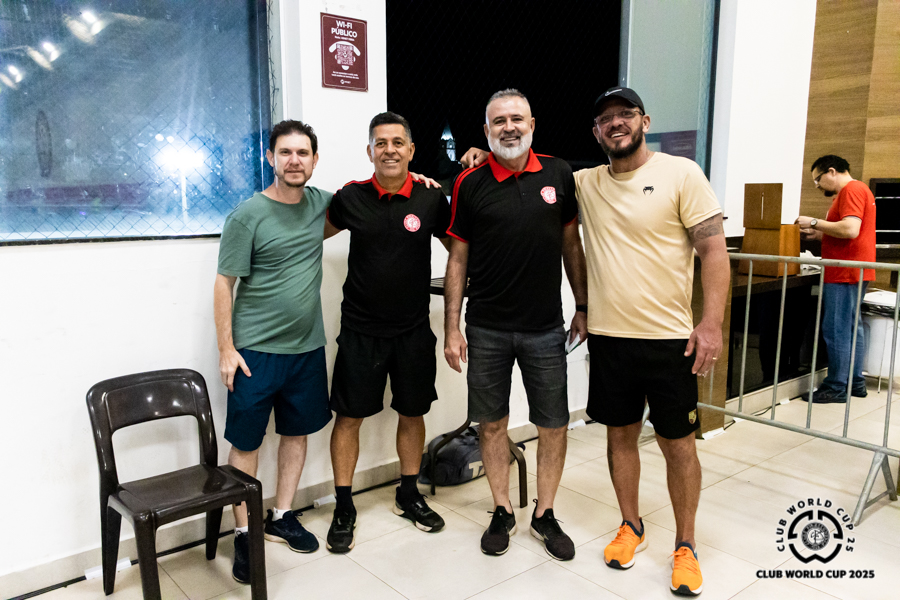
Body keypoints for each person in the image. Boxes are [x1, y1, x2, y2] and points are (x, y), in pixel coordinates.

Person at [461, 85, 729, 596]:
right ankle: (632, 525)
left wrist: (710, 323)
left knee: (678, 444)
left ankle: (686, 544)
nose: (616, 123)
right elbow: (527, 176)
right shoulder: (581, 181)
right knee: (619, 439)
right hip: (609, 338)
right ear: (596, 132)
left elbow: (714, 252)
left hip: (670, 339)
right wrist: (481, 155)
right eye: (606, 119)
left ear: (644, 121)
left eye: (625, 114)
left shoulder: (682, 174)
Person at [444, 89, 588, 561]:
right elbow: (457, 258)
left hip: (545, 328)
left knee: (554, 424)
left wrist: (583, 306)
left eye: (517, 119)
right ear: (486, 131)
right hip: (486, 327)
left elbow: (571, 246)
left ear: (532, 125)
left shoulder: (558, 173)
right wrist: (452, 327)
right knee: (491, 424)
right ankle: (502, 509)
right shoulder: (469, 182)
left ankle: (544, 514)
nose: (509, 127)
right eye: (499, 121)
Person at [323, 112, 450, 553]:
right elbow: (306, 236)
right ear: (370, 151)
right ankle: (343, 505)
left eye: (398, 142)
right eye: (381, 143)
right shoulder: (350, 197)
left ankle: (408, 494)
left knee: (412, 413)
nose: (390, 150)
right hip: (360, 331)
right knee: (349, 417)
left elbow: (459, 251)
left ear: (411, 150)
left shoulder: (431, 198)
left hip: (413, 330)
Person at [214, 120, 333, 583]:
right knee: (246, 443)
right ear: (271, 158)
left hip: (307, 349)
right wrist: (227, 348)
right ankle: (245, 533)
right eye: (285, 152)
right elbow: (224, 284)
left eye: (303, 153)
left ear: (315, 160)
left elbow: (372, 196)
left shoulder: (321, 204)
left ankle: (282, 515)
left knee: (296, 433)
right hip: (255, 352)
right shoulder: (248, 215)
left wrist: (415, 177)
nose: (294, 161)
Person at [796, 154, 876, 404]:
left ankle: (836, 386)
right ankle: (855, 382)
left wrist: (813, 222)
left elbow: (850, 229)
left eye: (818, 180)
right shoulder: (858, 190)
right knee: (852, 327)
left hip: (845, 271)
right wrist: (819, 235)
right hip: (855, 268)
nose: (818, 186)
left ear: (831, 171)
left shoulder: (851, 190)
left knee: (837, 328)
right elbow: (850, 232)